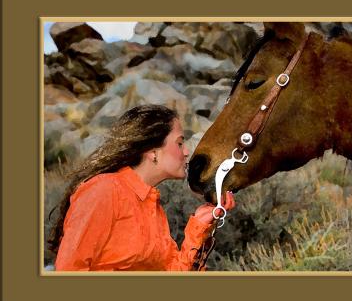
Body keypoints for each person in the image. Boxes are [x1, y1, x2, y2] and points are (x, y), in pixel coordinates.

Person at [48, 104, 235, 271]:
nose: (186, 152)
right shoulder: (103, 190)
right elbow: (69, 270)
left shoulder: (152, 205)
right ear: (153, 152)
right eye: (179, 143)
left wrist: (201, 225)